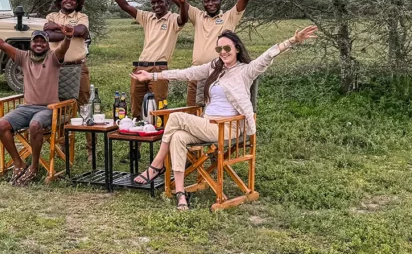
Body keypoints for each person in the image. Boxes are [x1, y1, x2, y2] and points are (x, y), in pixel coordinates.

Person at [131, 26, 317, 210]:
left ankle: (156, 165)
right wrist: (152, 75)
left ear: (237, 48)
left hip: (228, 128)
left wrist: (293, 40)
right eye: (219, 48)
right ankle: (180, 194)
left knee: (176, 117)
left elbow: (268, 55)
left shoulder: (246, 71)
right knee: (178, 136)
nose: (223, 52)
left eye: (227, 47)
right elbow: (187, 73)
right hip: (208, 125)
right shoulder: (215, 68)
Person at [141, 0, 274, 106]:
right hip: (196, 74)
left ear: (220, 1)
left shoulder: (229, 17)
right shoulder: (197, 16)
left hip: (219, 74)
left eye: (214, 0)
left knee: (216, 114)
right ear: (203, 2)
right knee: (192, 113)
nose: (210, 3)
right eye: (207, 1)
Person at [0, 16, 73, 187]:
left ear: (48, 45)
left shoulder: (54, 57)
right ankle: (19, 163)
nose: (39, 44)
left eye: (43, 42)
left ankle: (34, 166)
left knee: (35, 125)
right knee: (1, 124)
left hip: (49, 109)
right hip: (26, 107)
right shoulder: (23, 57)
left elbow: (63, 49)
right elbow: (2, 45)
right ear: (31, 43)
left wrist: (68, 37)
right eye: (36, 41)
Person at [98, 0, 189, 117]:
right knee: (135, 105)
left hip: (159, 69)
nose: (156, 5)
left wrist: (182, 3)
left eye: (160, 2)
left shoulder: (173, 19)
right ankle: (135, 137)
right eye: (153, 3)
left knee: (158, 107)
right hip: (140, 67)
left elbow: (184, 19)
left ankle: (160, 136)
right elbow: (125, 6)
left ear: (168, 3)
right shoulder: (147, 17)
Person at [43, 0, 91, 106]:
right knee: (56, 99)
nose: (69, 1)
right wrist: (69, 32)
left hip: (78, 65)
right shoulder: (51, 16)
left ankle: (82, 123)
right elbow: (49, 35)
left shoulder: (82, 16)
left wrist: (57, 28)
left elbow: (81, 31)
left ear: (77, 3)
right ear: (60, 1)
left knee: (83, 97)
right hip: (55, 66)